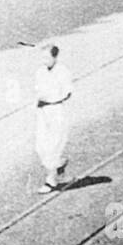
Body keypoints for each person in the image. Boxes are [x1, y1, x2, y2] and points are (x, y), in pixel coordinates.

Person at [33, 44, 73, 193]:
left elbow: (68, 92)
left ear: (55, 57)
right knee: (40, 145)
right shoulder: (40, 71)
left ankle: (50, 181)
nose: (44, 61)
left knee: (53, 145)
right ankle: (59, 164)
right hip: (42, 110)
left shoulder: (63, 72)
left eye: (47, 58)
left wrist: (53, 98)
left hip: (56, 110)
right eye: (42, 58)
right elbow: (37, 90)